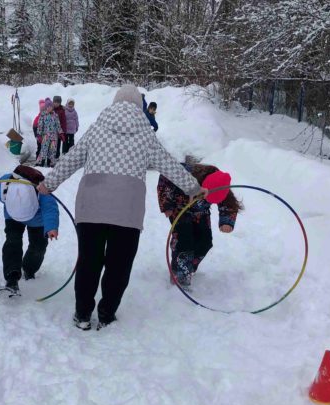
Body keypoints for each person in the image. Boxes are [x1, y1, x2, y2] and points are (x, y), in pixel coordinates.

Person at [38, 85, 206, 331]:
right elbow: (170, 166)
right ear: (139, 106)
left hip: (91, 207)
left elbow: (71, 159)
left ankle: (83, 314)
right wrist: (193, 188)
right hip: (127, 211)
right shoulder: (146, 136)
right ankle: (106, 315)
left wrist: (48, 184)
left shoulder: (96, 130)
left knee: (89, 261)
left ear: (114, 104)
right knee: (119, 265)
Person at [158, 165, 243, 290]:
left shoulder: (222, 183)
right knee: (184, 239)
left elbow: (229, 204)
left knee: (205, 242)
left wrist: (227, 222)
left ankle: (188, 266)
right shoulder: (185, 174)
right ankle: (180, 273)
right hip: (180, 209)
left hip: (201, 212)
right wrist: (167, 205)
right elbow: (165, 180)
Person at [0, 165, 60, 298]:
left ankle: (29, 269)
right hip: (12, 216)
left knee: (38, 246)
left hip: (37, 220)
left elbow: (50, 209)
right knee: (12, 242)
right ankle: (12, 277)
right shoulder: (2, 186)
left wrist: (51, 227)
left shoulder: (41, 189)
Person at [36, 98, 62, 167]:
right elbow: (40, 125)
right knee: (44, 149)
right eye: (48, 107)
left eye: (51, 107)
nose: (50, 108)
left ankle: (50, 163)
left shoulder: (55, 115)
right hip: (45, 136)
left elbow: (58, 125)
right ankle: (41, 162)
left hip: (54, 136)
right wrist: (39, 134)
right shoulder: (43, 115)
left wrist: (61, 133)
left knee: (52, 150)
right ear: (46, 107)